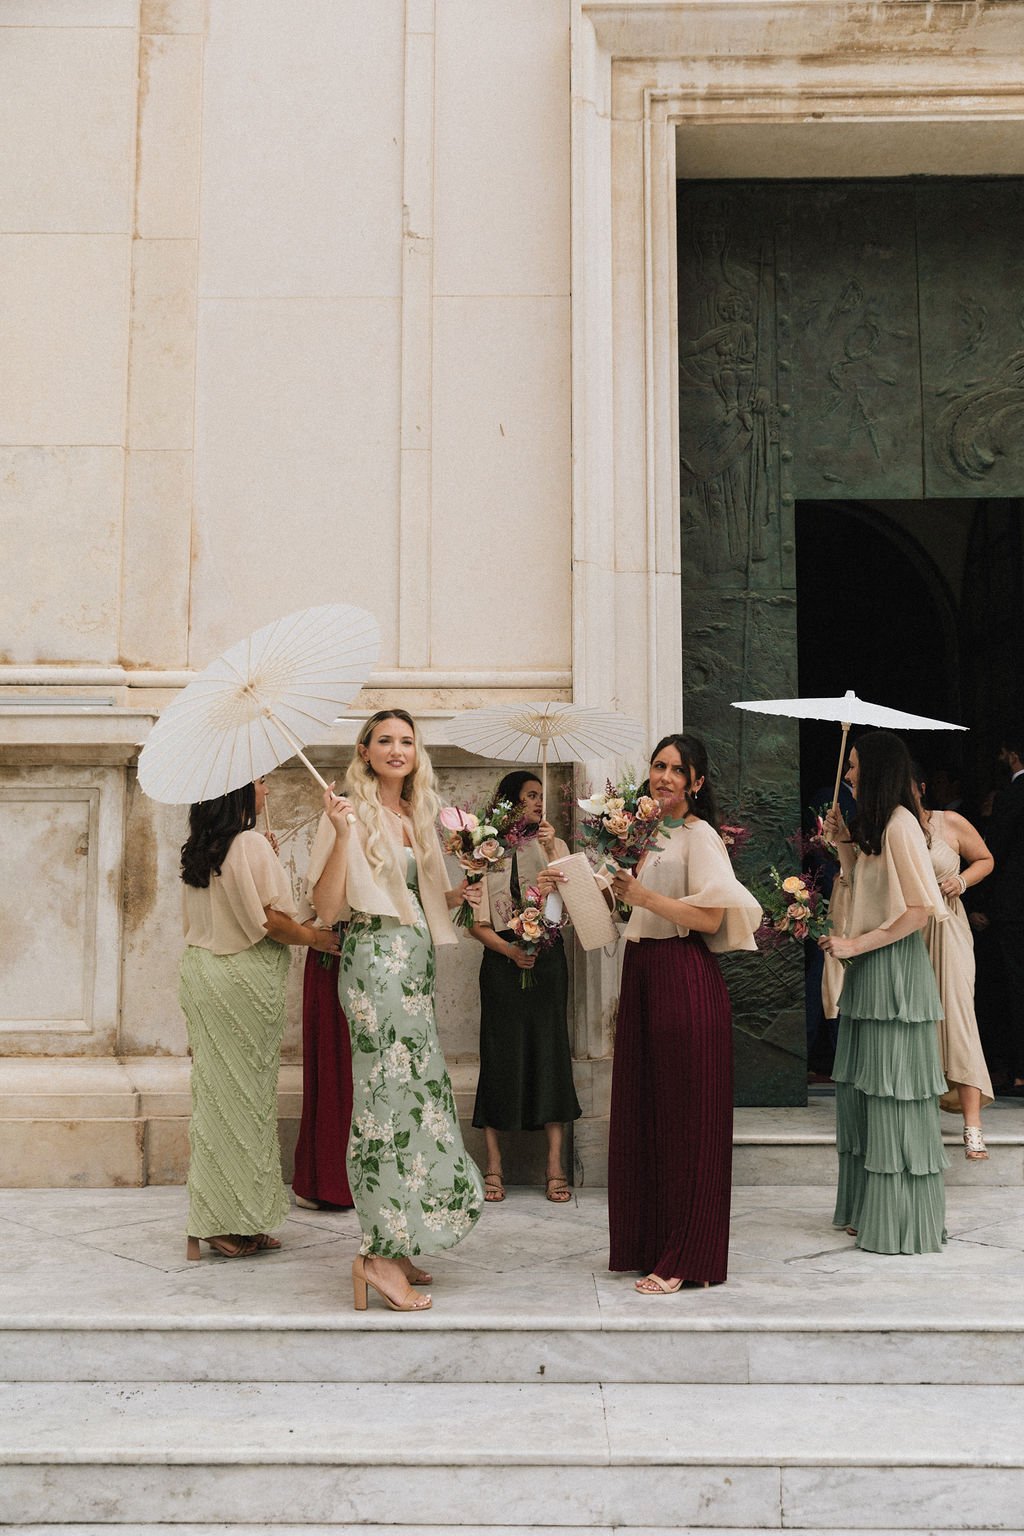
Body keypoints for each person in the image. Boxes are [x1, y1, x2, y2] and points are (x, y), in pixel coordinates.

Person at [310, 709, 484, 1313]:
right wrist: (340, 836)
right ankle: (376, 1256)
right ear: (364, 750)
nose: (396, 749)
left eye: (406, 741)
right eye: (384, 740)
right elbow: (326, 908)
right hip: (374, 968)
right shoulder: (347, 813)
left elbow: (416, 898)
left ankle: (401, 1234)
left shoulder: (415, 814)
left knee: (417, 1095)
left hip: (414, 969)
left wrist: (462, 891)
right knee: (385, 1101)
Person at [592, 734, 761, 1294]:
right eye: (658, 765)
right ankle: (650, 1243)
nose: (664, 776)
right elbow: (629, 908)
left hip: (683, 977)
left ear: (696, 782)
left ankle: (687, 1256)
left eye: (677, 769)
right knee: (646, 1115)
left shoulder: (699, 835)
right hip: (642, 973)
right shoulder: (644, 835)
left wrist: (643, 897)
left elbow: (712, 917)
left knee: (687, 1121)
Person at [179, 775, 341, 1261]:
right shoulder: (248, 844)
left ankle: (238, 1217)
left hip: (203, 974)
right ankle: (218, 1222)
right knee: (244, 1101)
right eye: (261, 781)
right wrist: (317, 939)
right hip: (241, 979)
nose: (266, 790)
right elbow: (272, 922)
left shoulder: (201, 849)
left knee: (221, 1099)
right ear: (238, 792)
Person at [820, 731, 949, 1254]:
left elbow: (919, 911)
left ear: (874, 770)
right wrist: (842, 842)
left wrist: (856, 943)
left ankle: (897, 1219)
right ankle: (868, 1206)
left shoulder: (900, 825)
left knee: (893, 1093)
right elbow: (861, 884)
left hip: (893, 970)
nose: (848, 774)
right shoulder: (875, 826)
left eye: (854, 766)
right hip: (869, 970)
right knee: (863, 1093)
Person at [468, 771, 581, 1204]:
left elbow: (575, 904)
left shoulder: (556, 846)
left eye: (541, 795)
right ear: (511, 802)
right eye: (531, 795)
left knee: (551, 1052)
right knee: (498, 1054)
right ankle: (493, 1163)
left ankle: (554, 1165)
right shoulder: (486, 850)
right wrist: (511, 952)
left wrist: (553, 851)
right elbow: (474, 924)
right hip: (501, 962)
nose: (539, 802)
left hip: (547, 960)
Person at [910, 767, 994, 1159]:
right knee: (917, 1022)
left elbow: (985, 859)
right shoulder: (890, 829)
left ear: (922, 788)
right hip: (908, 934)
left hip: (949, 929)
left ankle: (973, 1126)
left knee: (958, 1017)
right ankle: (921, 1115)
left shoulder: (950, 821)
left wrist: (961, 881)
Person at [972, 735, 1024, 1095]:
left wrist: (981, 904)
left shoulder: (1012, 794)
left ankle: (1020, 1072)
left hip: (1014, 908)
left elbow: (995, 854)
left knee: (1016, 986)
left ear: (1013, 756)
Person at [291, 942, 355, 1210]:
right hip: (332, 954)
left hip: (380, 959)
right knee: (333, 1057)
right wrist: (318, 929)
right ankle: (326, 1180)